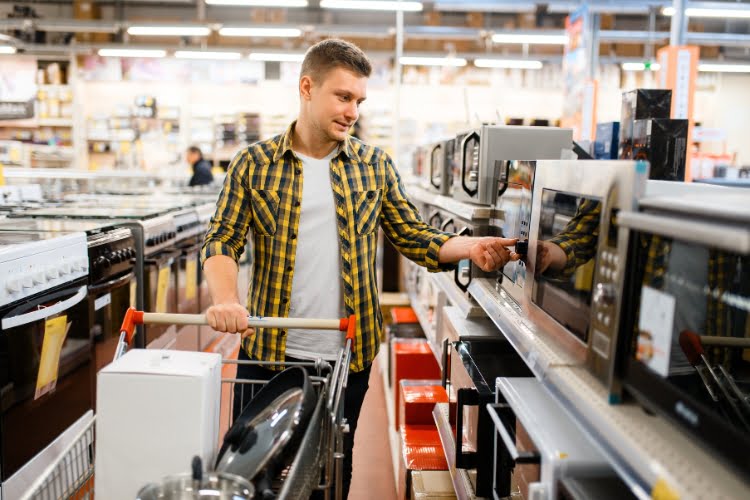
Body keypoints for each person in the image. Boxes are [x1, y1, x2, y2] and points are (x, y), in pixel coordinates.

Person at [200, 38, 519, 499]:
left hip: (348, 356)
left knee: (332, 477)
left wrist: (471, 246)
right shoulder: (255, 164)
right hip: (268, 349)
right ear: (307, 87)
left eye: (359, 101)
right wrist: (226, 300)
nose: (352, 111)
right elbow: (222, 240)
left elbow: (414, 236)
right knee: (252, 478)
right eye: (343, 96)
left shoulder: (373, 165)